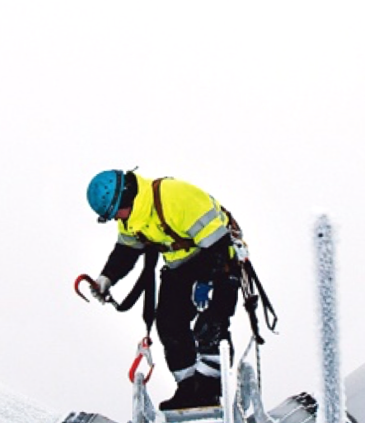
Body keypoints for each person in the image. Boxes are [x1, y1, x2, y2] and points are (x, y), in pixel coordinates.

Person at [77, 168, 249, 409]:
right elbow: (126, 251)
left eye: (116, 213)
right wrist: (106, 278)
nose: (116, 219)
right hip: (181, 265)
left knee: (210, 323)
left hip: (219, 258)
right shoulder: (132, 219)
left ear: (125, 197)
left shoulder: (175, 198)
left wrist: (207, 282)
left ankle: (209, 391)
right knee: (168, 322)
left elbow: (218, 243)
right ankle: (189, 388)